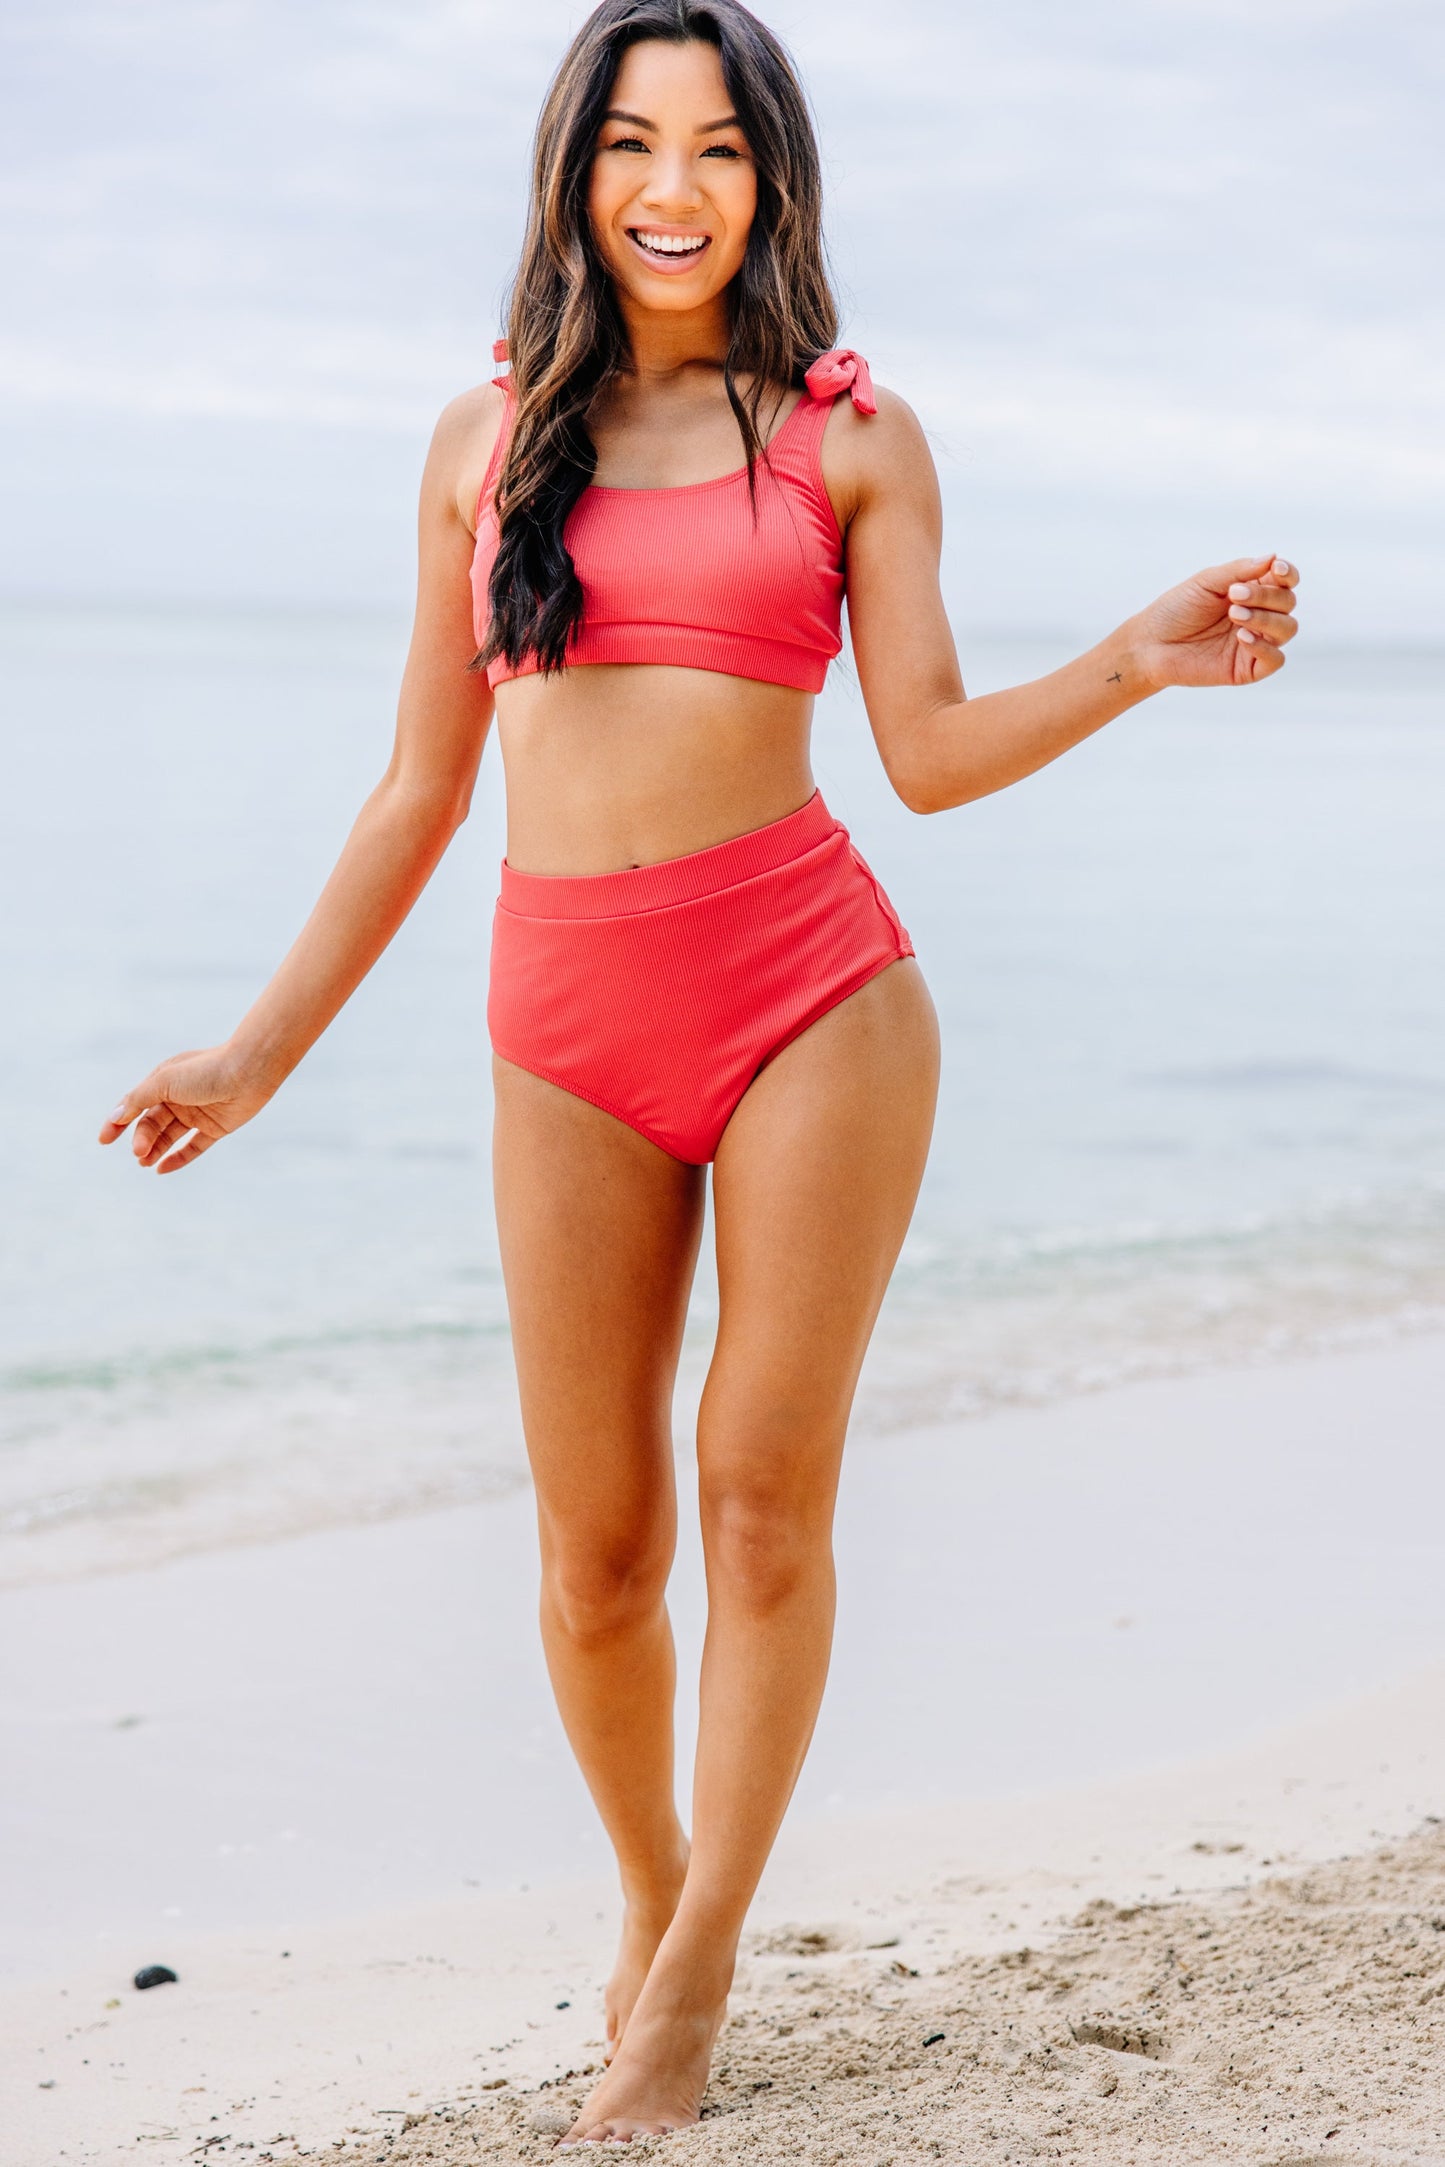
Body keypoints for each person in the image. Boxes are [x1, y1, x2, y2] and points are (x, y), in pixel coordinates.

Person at [98, 0, 1300, 2143]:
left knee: (760, 1495)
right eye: (634, 145)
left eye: (722, 149)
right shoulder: (481, 446)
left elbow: (921, 757)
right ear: (575, 175)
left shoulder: (849, 433)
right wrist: (259, 1049)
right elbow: (413, 792)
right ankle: (653, 1892)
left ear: (776, 180)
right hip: (558, 1024)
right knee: (594, 1551)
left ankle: (697, 1972)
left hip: (812, 994)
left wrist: (1134, 659)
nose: (675, 188)